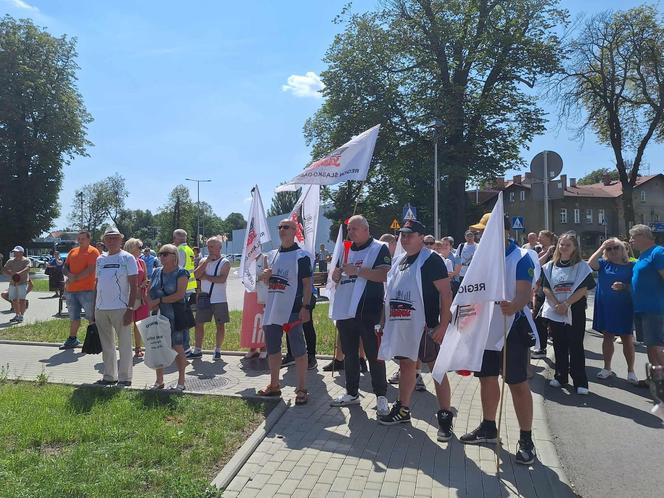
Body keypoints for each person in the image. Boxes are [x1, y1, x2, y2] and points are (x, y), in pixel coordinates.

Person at [459, 215, 540, 466]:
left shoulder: (521, 257)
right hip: (486, 328)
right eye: (480, 232)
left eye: (486, 231)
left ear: (504, 232)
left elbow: (524, 294)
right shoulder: (481, 258)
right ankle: (488, 426)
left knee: (516, 383)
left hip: (510, 328)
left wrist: (512, 305)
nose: (482, 236)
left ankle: (526, 439)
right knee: (486, 378)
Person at [377, 220, 454, 440]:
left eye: (410, 234)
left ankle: (445, 416)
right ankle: (403, 409)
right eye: (403, 234)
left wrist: (443, 324)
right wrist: (384, 322)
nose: (405, 238)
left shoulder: (432, 260)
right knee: (406, 367)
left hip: (427, 327)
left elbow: (446, 294)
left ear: (422, 237)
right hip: (403, 326)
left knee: (437, 370)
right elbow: (389, 294)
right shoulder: (400, 260)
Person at [329, 215, 391, 415]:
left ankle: (381, 395)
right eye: (349, 229)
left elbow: (383, 275)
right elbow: (335, 273)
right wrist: (336, 275)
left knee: (375, 355)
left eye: (354, 228)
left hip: (368, 310)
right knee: (350, 354)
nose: (351, 232)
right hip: (346, 310)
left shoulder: (379, 248)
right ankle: (351, 392)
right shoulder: (345, 248)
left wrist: (357, 270)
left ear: (366, 229)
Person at [256, 219, 312, 405]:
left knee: (298, 350)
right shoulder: (270, 255)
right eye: (279, 227)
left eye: (286, 227)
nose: (282, 230)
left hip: (293, 310)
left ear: (295, 230)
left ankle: (302, 388)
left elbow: (306, 284)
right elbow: (267, 282)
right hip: (273, 308)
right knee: (273, 349)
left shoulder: (301, 256)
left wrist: (306, 307)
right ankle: (274, 385)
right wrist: (265, 277)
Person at [541, 232, 595, 394]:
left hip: (575, 311)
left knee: (576, 345)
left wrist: (567, 303)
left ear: (574, 248)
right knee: (559, 344)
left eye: (568, 245)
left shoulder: (582, 266)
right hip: (556, 310)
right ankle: (560, 376)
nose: (564, 247)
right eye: (561, 244)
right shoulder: (550, 266)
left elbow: (583, 288)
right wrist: (557, 304)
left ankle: (580, 382)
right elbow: (546, 287)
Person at [92, 228, 138, 386]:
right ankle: (109, 376)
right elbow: (97, 285)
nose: (111, 241)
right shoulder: (100, 259)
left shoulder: (128, 258)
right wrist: (93, 309)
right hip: (101, 308)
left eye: (115, 238)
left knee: (124, 344)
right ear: (104, 241)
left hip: (121, 307)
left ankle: (125, 378)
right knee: (107, 345)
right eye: (108, 238)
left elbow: (134, 285)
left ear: (121, 240)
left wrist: (130, 309)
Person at [588, 238, 637, 383]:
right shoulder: (604, 264)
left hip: (624, 307)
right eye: (609, 249)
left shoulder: (632, 266)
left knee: (626, 338)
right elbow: (591, 263)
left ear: (624, 249)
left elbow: (637, 286)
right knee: (607, 336)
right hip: (606, 306)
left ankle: (631, 371)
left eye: (616, 248)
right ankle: (607, 368)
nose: (613, 251)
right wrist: (602, 245)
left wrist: (624, 286)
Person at [146, 244, 189, 390]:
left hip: (174, 315)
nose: (162, 257)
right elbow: (149, 290)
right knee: (158, 346)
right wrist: (150, 302)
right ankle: (159, 381)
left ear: (174, 255)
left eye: (165, 254)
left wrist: (159, 301)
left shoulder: (181, 272)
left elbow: (179, 295)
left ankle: (181, 381)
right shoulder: (156, 271)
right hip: (157, 315)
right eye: (160, 254)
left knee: (177, 347)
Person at [190, 236, 231, 361]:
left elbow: (221, 279)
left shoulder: (225, 262)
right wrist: (206, 262)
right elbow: (196, 275)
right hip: (204, 297)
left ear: (219, 247)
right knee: (199, 324)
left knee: (220, 325)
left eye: (212, 246)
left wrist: (206, 277)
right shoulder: (203, 260)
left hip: (219, 299)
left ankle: (218, 350)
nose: (209, 249)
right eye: (208, 246)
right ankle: (198, 349)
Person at [629, 224, 664, 367]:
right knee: (650, 344)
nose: (630, 240)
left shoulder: (658, 252)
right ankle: (655, 379)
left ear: (643, 236)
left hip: (655, 308)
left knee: (657, 346)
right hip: (642, 309)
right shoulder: (642, 255)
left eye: (633, 237)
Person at [60, 231, 100, 350]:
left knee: (91, 317)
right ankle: (72, 339)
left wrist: (75, 277)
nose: (80, 240)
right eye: (79, 238)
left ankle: (96, 341)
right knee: (73, 317)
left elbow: (91, 269)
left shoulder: (93, 251)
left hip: (87, 290)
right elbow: (65, 267)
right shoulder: (73, 251)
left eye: (83, 238)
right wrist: (69, 274)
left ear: (89, 239)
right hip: (71, 291)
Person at [531, 230, 557, 359]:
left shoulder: (558, 249)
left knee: (551, 320)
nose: (539, 239)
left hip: (554, 289)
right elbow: (537, 265)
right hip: (541, 288)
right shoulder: (537, 249)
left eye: (541, 237)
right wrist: (547, 253)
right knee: (537, 318)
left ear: (548, 238)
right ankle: (541, 347)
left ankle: (557, 347)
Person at [173, 229, 197, 356]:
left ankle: (185, 348)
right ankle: (185, 347)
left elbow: (179, 269)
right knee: (185, 319)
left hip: (183, 288)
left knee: (182, 320)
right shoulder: (189, 250)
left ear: (176, 239)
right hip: (190, 287)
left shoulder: (180, 250)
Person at [124, 238, 149, 358]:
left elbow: (146, 278)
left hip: (141, 298)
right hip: (127, 297)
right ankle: (126, 348)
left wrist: (143, 284)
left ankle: (138, 348)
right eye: (139, 247)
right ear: (132, 247)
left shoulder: (141, 262)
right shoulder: (124, 261)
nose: (141, 250)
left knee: (139, 324)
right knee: (126, 324)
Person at [2, 246, 31, 323]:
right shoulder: (11, 261)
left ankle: (21, 316)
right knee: (14, 300)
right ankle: (17, 315)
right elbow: (4, 269)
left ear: (21, 252)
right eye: (14, 252)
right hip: (13, 283)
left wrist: (18, 274)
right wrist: (11, 274)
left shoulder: (26, 260)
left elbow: (28, 268)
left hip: (22, 283)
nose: (15, 253)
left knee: (22, 300)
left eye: (17, 252)